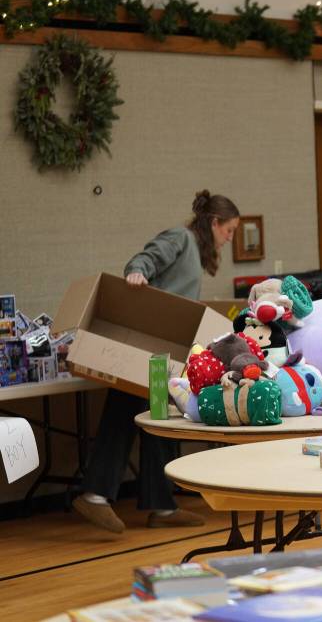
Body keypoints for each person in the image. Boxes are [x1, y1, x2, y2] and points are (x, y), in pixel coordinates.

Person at [73, 190, 240, 534]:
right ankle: (97, 496)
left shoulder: (196, 251)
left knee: (159, 424)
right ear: (214, 223)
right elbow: (144, 260)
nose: (230, 239)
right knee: (125, 416)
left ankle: (160, 505)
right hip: (148, 347)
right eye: (229, 231)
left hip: (163, 355)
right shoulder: (181, 237)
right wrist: (136, 272)